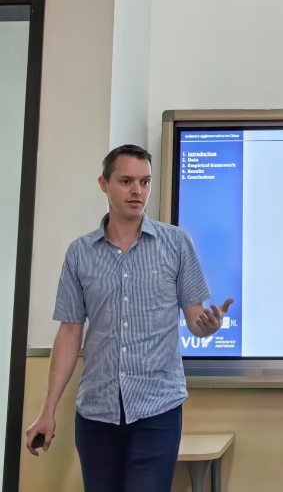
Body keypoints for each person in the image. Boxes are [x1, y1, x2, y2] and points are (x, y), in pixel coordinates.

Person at [25, 144, 233, 492]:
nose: (138, 190)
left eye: (145, 182)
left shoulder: (176, 243)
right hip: (96, 412)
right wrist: (48, 410)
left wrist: (208, 327)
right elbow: (70, 332)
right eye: (126, 181)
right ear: (104, 184)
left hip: (157, 408)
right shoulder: (79, 254)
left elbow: (195, 318)